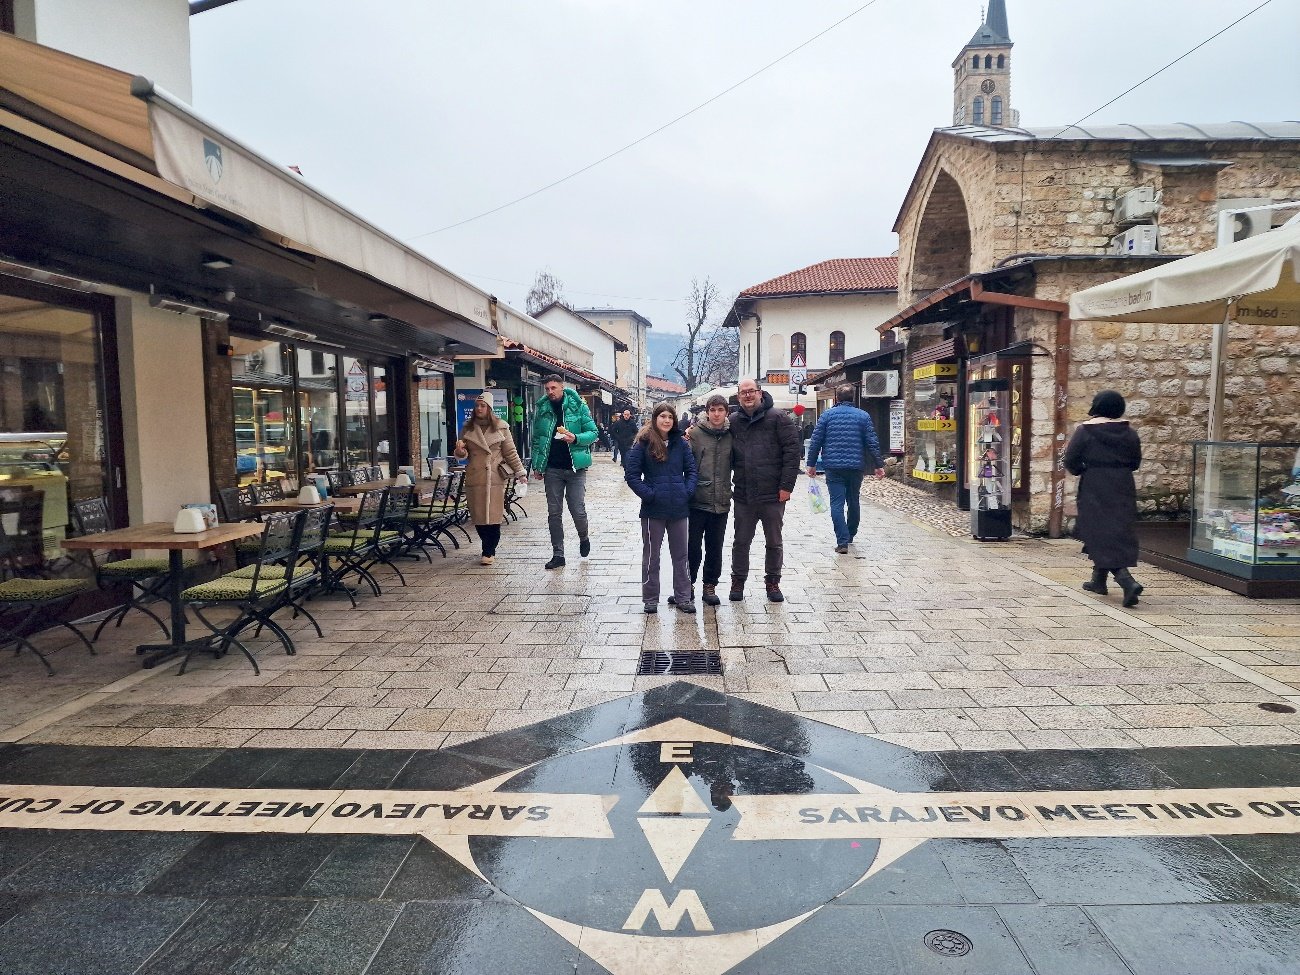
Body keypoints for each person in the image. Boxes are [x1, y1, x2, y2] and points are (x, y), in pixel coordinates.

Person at [1064, 389, 1144, 607]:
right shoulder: (1130, 433)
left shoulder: (1085, 431)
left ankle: (1127, 581)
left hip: (1095, 484)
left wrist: (1083, 470)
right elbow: (1135, 462)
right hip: (1123, 484)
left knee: (1096, 530)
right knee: (1115, 530)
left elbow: (1071, 459)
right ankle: (1098, 581)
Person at [728, 378, 801, 602]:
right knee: (741, 541)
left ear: (760, 393)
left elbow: (792, 452)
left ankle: (773, 582)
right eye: (743, 393)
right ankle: (738, 581)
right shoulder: (733, 421)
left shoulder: (778, 418)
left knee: (774, 541)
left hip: (773, 493)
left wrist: (787, 486)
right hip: (744, 493)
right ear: (739, 397)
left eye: (751, 391)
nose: (748, 395)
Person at [625, 403, 698, 614]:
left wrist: (686, 491)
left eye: (670, 417)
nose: (666, 420)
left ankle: (683, 597)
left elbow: (691, 470)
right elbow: (631, 475)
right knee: (651, 556)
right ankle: (650, 599)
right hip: (653, 510)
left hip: (678, 508)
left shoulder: (681, 443)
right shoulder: (643, 443)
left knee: (681, 555)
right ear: (655, 418)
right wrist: (650, 495)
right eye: (662, 416)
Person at [805, 384, 886, 554]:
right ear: (853, 397)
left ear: (837, 398)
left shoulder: (827, 416)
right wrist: (878, 465)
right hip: (856, 466)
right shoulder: (863, 416)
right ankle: (850, 534)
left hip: (833, 467)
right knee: (853, 500)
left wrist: (811, 464)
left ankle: (842, 542)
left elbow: (816, 441)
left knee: (837, 503)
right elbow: (872, 442)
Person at [529, 374, 598, 569]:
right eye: (547, 389)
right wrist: (537, 466)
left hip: (575, 468)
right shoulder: (543, 409)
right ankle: (558, 554)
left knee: (577, 509)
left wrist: (575, 438)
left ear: (562, 387)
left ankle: (584, 537)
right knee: (554, 513)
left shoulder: (578, 406)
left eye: (553, 388)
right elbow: (537, 440)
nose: (550, 392)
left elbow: (593, 433)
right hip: (552, 469)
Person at [453, 394, 527, 565]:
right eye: (477, 405)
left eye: (483, 405)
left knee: (493, 516)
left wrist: (520, 473)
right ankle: (486, 546)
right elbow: (462, 454)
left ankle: (488, 551)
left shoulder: (502, 427)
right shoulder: (467, 427)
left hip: (494, 477)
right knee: (478, 516)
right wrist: (460, 451)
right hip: (475, 476)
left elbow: (510, 453)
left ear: (490, 408)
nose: (479, 408)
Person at [687, 394, 733, 606]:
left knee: (715, 547)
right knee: (692, 547)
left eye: (720, 410)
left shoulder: (731, 435)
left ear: (726, 412)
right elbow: (686, 464)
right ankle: (687, 584)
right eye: (712, 410)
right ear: (707, 412)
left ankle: (710, 585)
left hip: (721, 501)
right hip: (697, 500)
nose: (716, 414)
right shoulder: (695, 434)